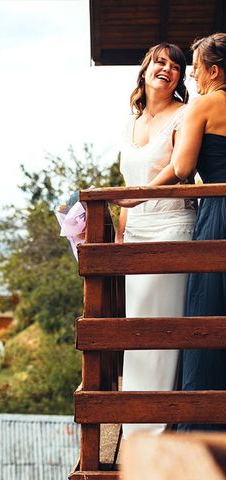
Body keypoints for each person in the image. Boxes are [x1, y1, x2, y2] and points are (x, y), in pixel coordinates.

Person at [139, 33, 226, 432]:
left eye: (195, 66)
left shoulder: (203, 105)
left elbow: (184, 167)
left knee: (207, 313)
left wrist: (135, 198)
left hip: (218, 215)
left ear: (214, 69)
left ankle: (204, 428)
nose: (192, 74)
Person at [115, 42, 196, 437]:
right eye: (160, 62)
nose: (168, 69)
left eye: (176, 66)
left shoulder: (184, 114)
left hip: (170, 228)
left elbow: (181, 169)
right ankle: (135, 425)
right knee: (137, 330)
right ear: (145, 70)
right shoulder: (129, 121)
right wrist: (118, 233)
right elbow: (128, 186)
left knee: (163, 330)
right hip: (135, 233)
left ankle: (158, 431)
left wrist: (138, 194)